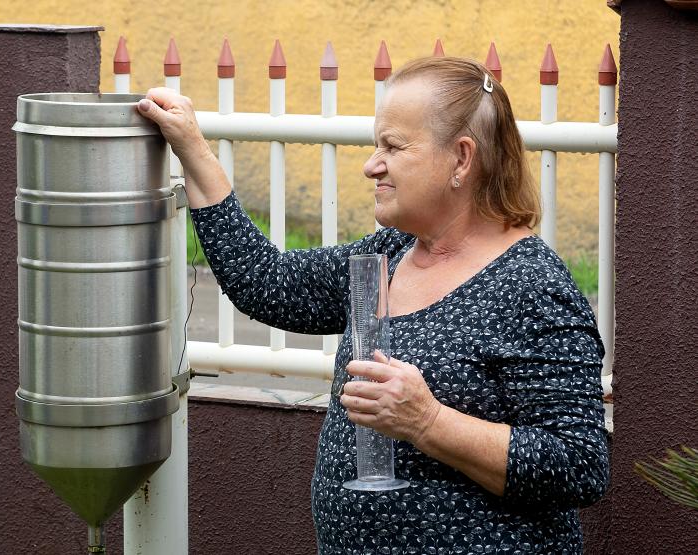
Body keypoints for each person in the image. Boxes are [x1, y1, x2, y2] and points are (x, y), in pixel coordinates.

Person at [137, 56, 609, 554]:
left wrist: (428, 422)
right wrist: (193, 149)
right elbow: (266, 282)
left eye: (393, 146)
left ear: (462, 159)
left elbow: (579, 465)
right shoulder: (388, 254)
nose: (371, 165)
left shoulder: (532, 287)